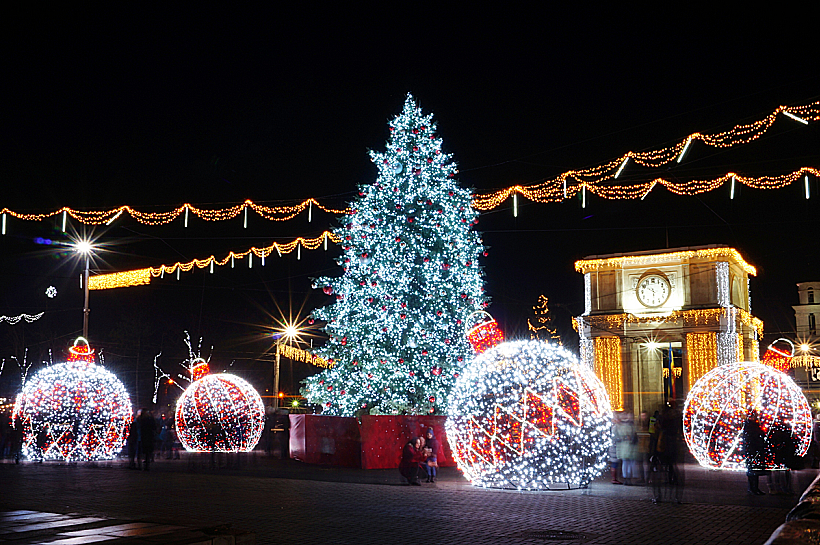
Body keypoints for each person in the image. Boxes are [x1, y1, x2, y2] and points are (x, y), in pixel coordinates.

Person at [743, 410, 766, 495]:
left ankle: (755, 488)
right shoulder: (750, 425)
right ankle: (752, 488)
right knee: (752, 470)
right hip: (752, 450)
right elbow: (752, 438)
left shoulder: (753, 425)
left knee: (755, 470)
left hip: (754, 449)